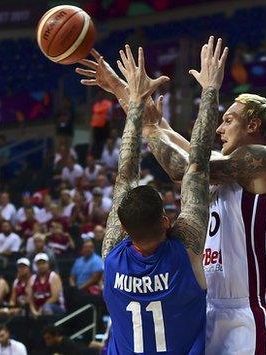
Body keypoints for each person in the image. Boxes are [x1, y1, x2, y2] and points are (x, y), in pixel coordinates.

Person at [77, 36, 266, 354]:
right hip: (205, 307)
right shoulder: (224, 165)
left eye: (228, 120)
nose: (219, 129)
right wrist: (122, 90)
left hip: (244, 314)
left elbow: (186, 166)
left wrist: (152, 124)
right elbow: (175, 141)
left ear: (254, 125)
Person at [95, 38, 222, 354]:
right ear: (166, 220)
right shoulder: (187, 249)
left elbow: (125, 175)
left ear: (122, 228)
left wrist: (134, 101)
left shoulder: (111, 254)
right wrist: (209, 90)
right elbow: (197, 167)